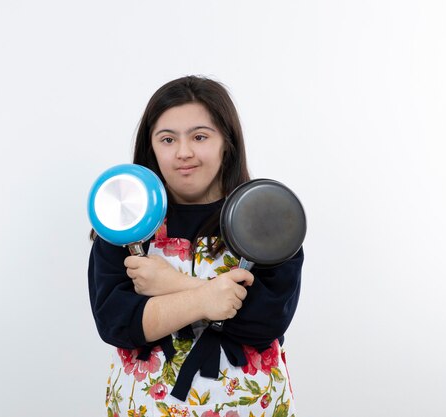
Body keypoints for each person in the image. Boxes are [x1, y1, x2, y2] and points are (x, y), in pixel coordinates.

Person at [88, 76, 303, 417]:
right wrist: (208, 298)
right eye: (168, 139)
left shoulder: (267, 218)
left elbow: (265, 322)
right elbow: (118, 324)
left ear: (226, 143)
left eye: (200, 136)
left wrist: (174, 286)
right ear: (151, 147)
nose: (183, 152)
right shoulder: (122, 223)